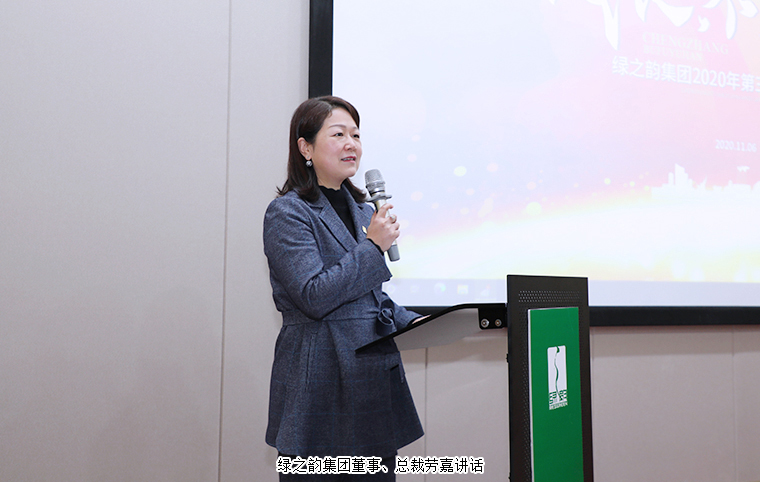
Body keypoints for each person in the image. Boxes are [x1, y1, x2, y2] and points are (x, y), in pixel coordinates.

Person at [263, 96, 424, 480]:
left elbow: (371, 299)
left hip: (370, 382)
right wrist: (372, 247)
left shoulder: (364, 210)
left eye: (356, 135)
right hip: (319, 382)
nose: (351, 143)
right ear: (305, 147)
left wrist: (417, 322)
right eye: (338, 134)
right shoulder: (288, 212)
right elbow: (313, 295)